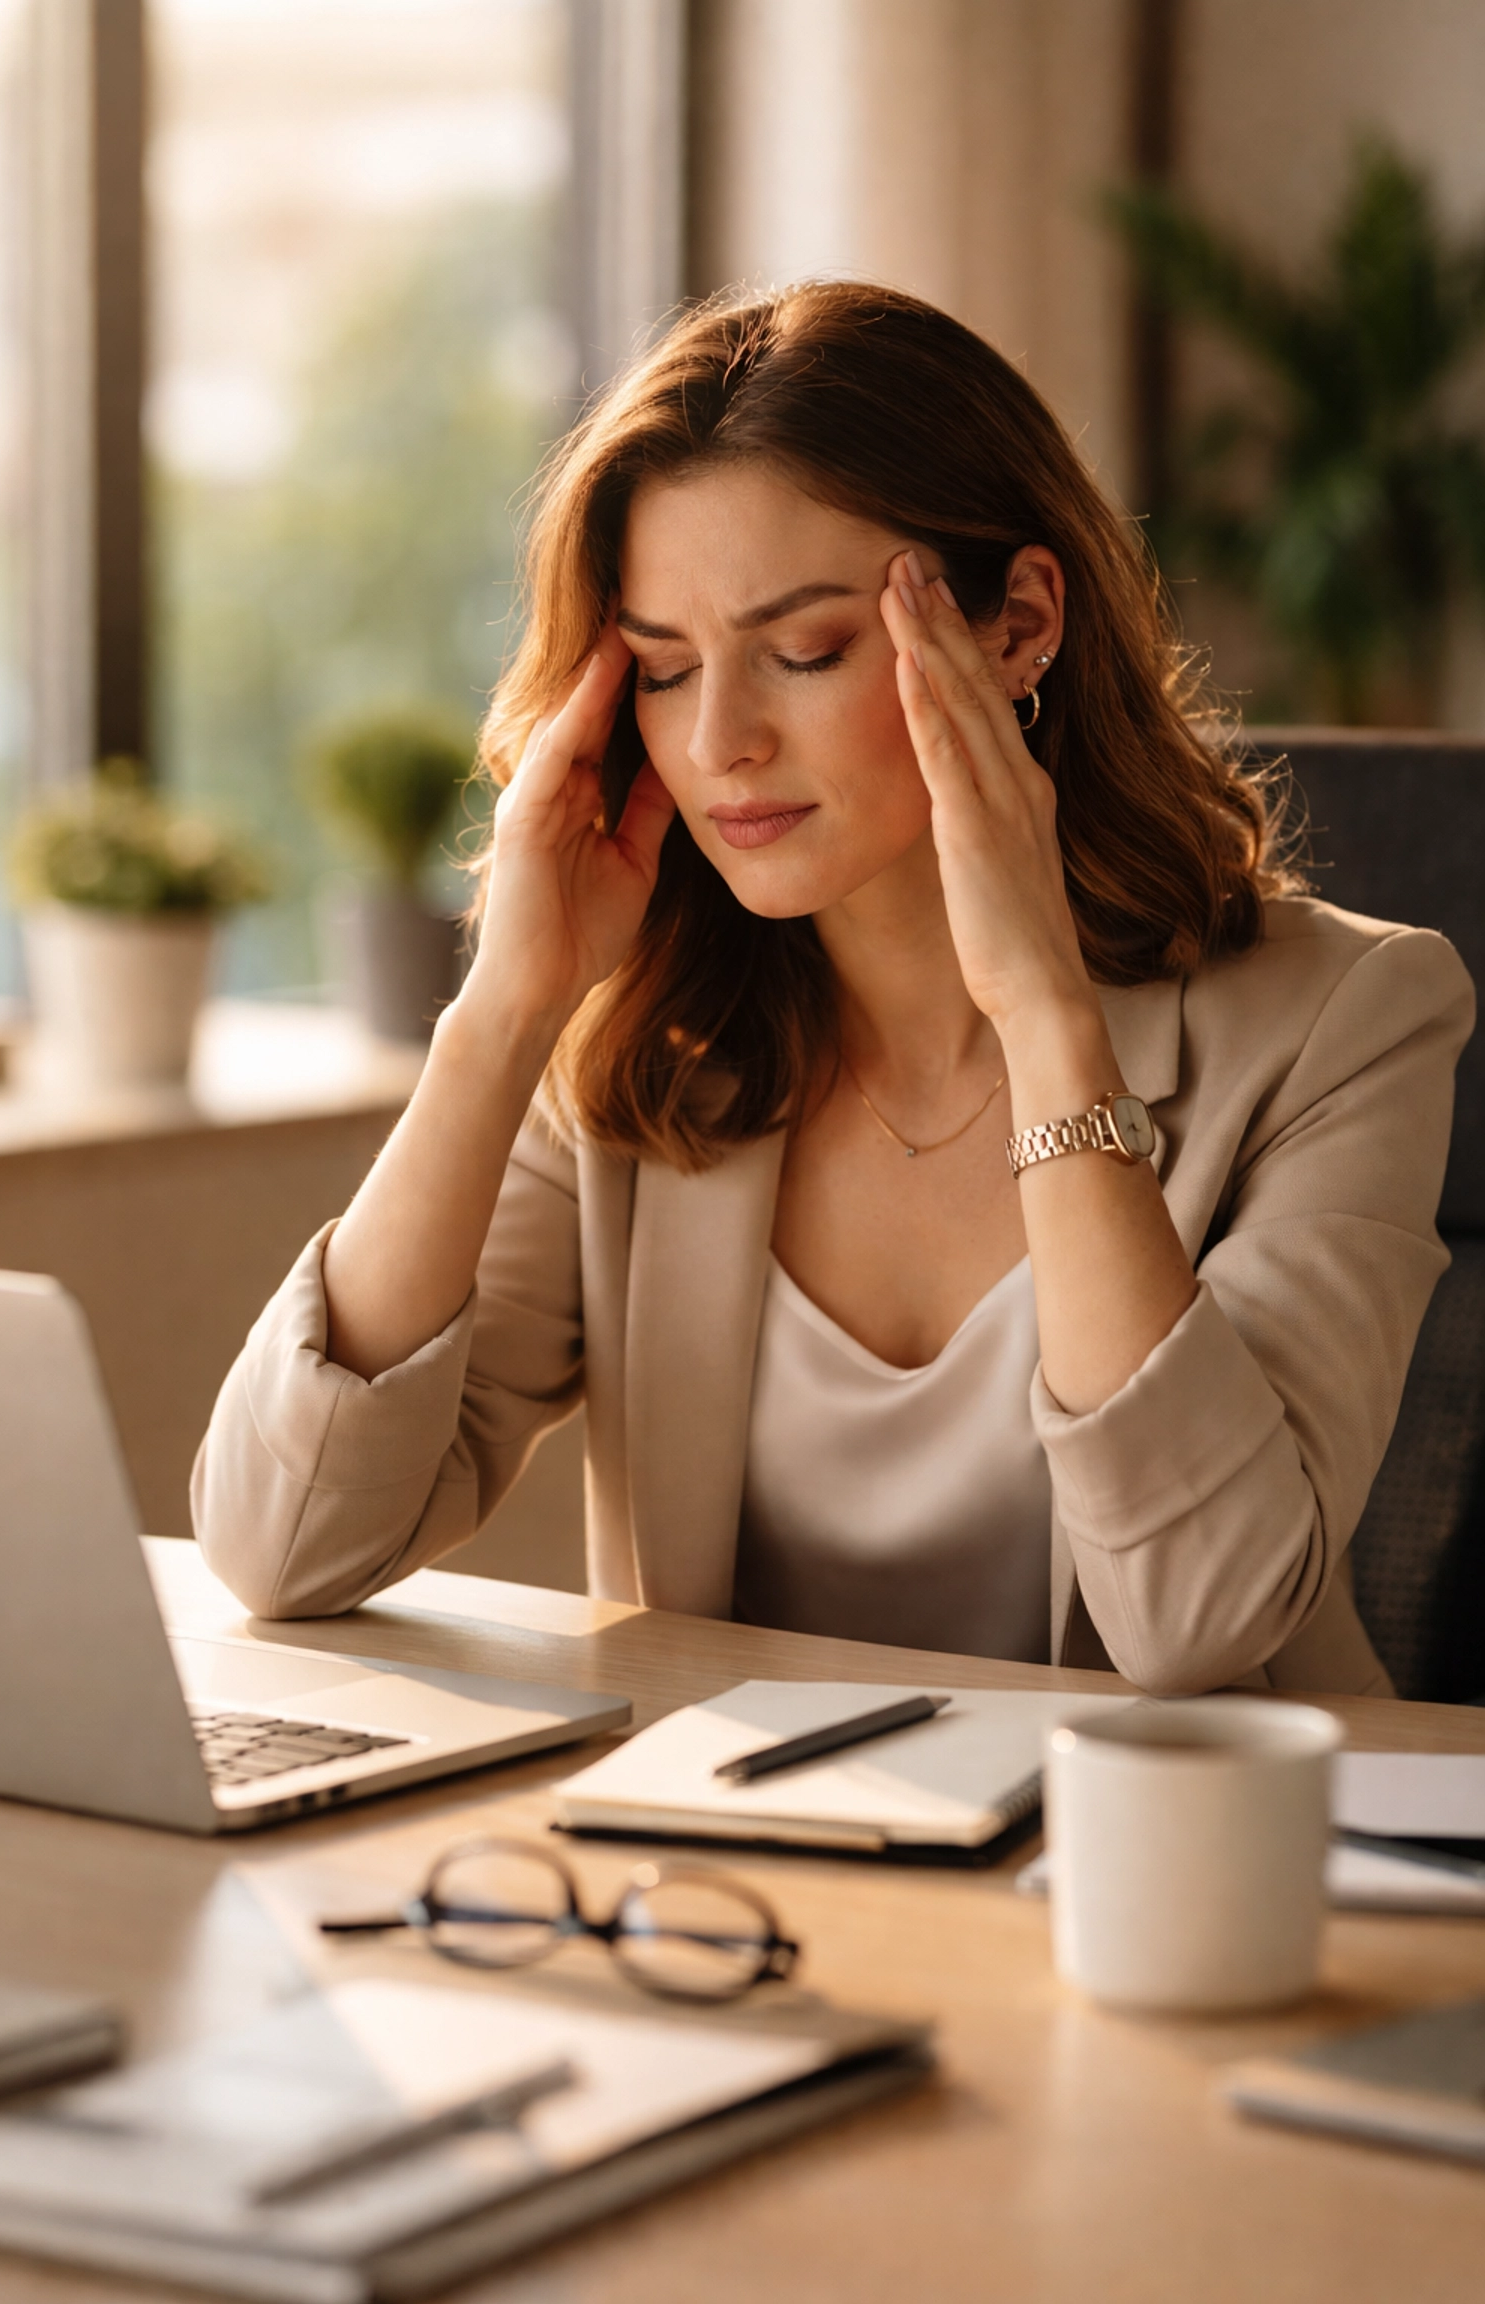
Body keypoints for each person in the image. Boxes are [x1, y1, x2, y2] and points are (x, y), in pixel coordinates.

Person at [193, 281, 1473, 1698]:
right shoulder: (645, 1033)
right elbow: (281, 1543)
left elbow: (1201, 1622)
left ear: (1019, 621)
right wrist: (501, 1018)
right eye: (667, 672)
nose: (723, 739)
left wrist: (1048, 1021)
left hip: (1166, 1889)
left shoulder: (1351, 1021)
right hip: (741, 1892)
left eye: (804, 652)